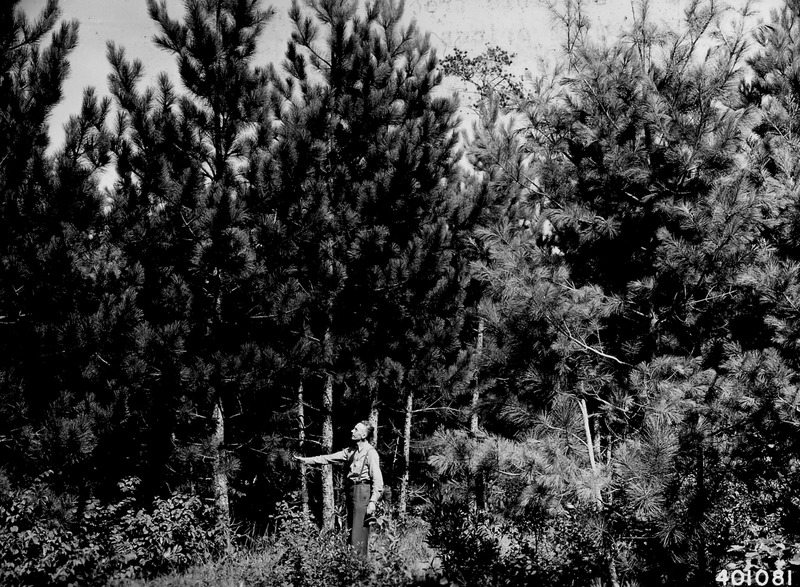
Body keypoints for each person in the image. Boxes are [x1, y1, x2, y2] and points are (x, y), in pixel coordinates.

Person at [294, 420, 384, 556]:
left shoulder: (371, 453)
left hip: (363, 492)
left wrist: (373, 502)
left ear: (364, 435)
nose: (352, 431)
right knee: (351, 530)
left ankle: (359, 567)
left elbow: (378, 481)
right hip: (351, 492)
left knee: (358, 532)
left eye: (356, 430)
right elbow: (327, 458)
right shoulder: (350, 451)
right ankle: (351, 566)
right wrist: (305, 460)